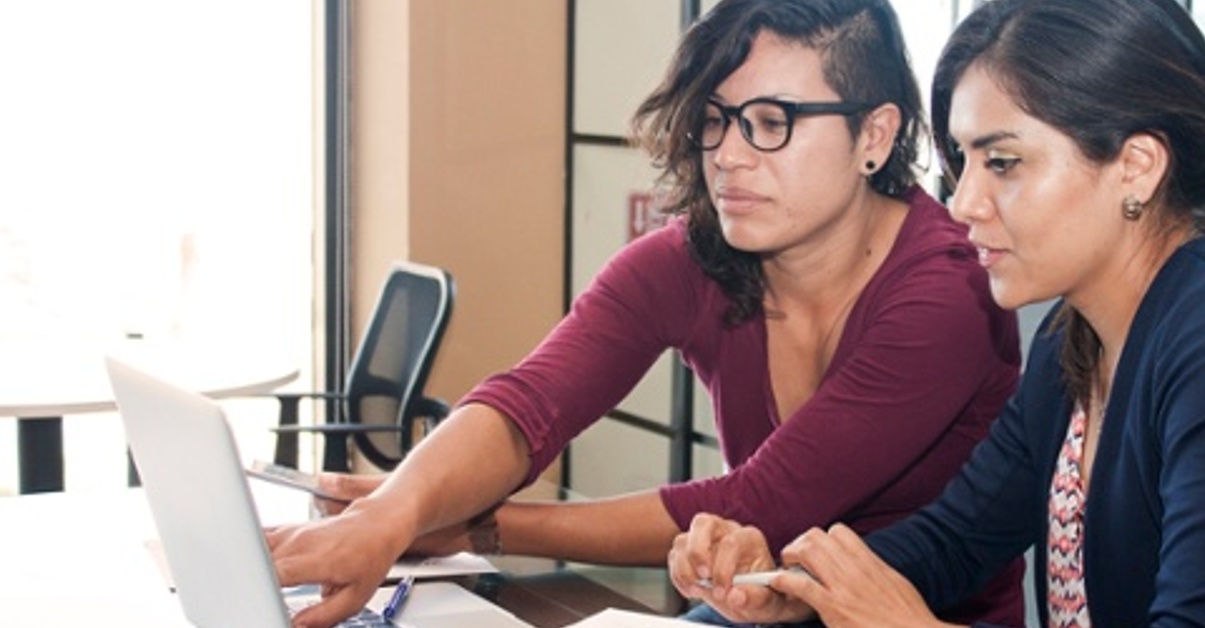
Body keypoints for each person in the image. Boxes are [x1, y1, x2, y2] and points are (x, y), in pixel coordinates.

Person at [667, 0, 1205, 626]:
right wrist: (787, 587)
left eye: (1003, 164)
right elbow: (955, 539)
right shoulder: (1079, 335)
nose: (962, 202)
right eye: (960, 163)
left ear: (1135, 165)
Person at [267, 1, 1028, 627]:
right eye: (717, 119)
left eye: (772, 121)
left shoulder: (947, 291)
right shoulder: (694, 257)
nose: (728, 154)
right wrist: (392, 512)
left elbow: (758, 501)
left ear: (876, 135)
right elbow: (530, 400)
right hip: (765, 602)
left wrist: (471, 525)